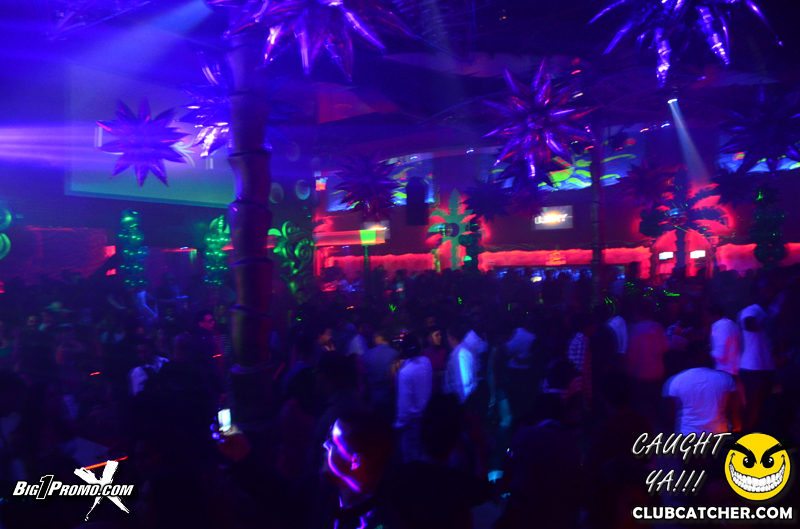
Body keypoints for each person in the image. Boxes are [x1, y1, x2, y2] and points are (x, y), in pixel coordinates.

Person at [385, 393, 494, 529]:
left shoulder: (399, 478)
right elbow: (482, 491)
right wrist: (478, 443)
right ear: (455, 438)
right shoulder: (459, 487)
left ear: (423, 429)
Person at [496, 393, 582, 529]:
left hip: (530, 518)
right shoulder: (573, 444)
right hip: (564, 520)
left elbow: (516, 484)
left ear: (535, 413)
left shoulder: (524, 436)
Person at [322, 412, 395, 529]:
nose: (325, 444)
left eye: (334, 442)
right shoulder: (320, 496)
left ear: (356, 461)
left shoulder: (378, 523)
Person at [662, 342, 742, 435]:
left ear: (687, 359)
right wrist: (736, 428)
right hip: (718, 435)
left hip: (686, 435)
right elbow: (736, 408)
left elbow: (667, 415)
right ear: (708, 357)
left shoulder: (673, 381)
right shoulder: (725, 378)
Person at [737, 300, 776, 430]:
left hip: (766, 368)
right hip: (752, 369)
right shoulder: (751, 310)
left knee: (766, 406)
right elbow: (749, 324)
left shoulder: (769, 310)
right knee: (754, 407)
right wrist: (775, 317)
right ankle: (747, 436)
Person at [394, 333, 432, 463]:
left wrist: (399, 425)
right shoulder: (426, 362)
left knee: (411, 459)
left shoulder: (404, 373)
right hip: (426, 417)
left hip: (411, 422)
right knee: (423, 455)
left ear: (403, 349)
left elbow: (405, 406)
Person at [363, 329, 398, 420]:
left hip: (372, 397)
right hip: (389, 397)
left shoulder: (367, 354)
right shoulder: (395, 354)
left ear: (379, 338)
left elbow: (363, 376)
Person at [444, 322, 477, 404]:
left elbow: (464, 382)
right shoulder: (462, 352)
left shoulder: (460, 355)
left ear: (452, 337)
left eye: (447, 336)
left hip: (462, 401)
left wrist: (462, 403)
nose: (447, 339)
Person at [707, 304, 740, 376]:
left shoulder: (719, 326)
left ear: (716, 315)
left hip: (725, 370)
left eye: (708, 316)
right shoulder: (732, 323)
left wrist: (709, 352)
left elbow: (720, 354)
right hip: (736, 368)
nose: (707, 319)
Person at [422, 326, 447, 392]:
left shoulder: (443, 352)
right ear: (429, 338)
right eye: (436, 335)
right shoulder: (424, 355)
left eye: (440, 335)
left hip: (443, 388)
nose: (440, 337)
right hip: (429, 389)